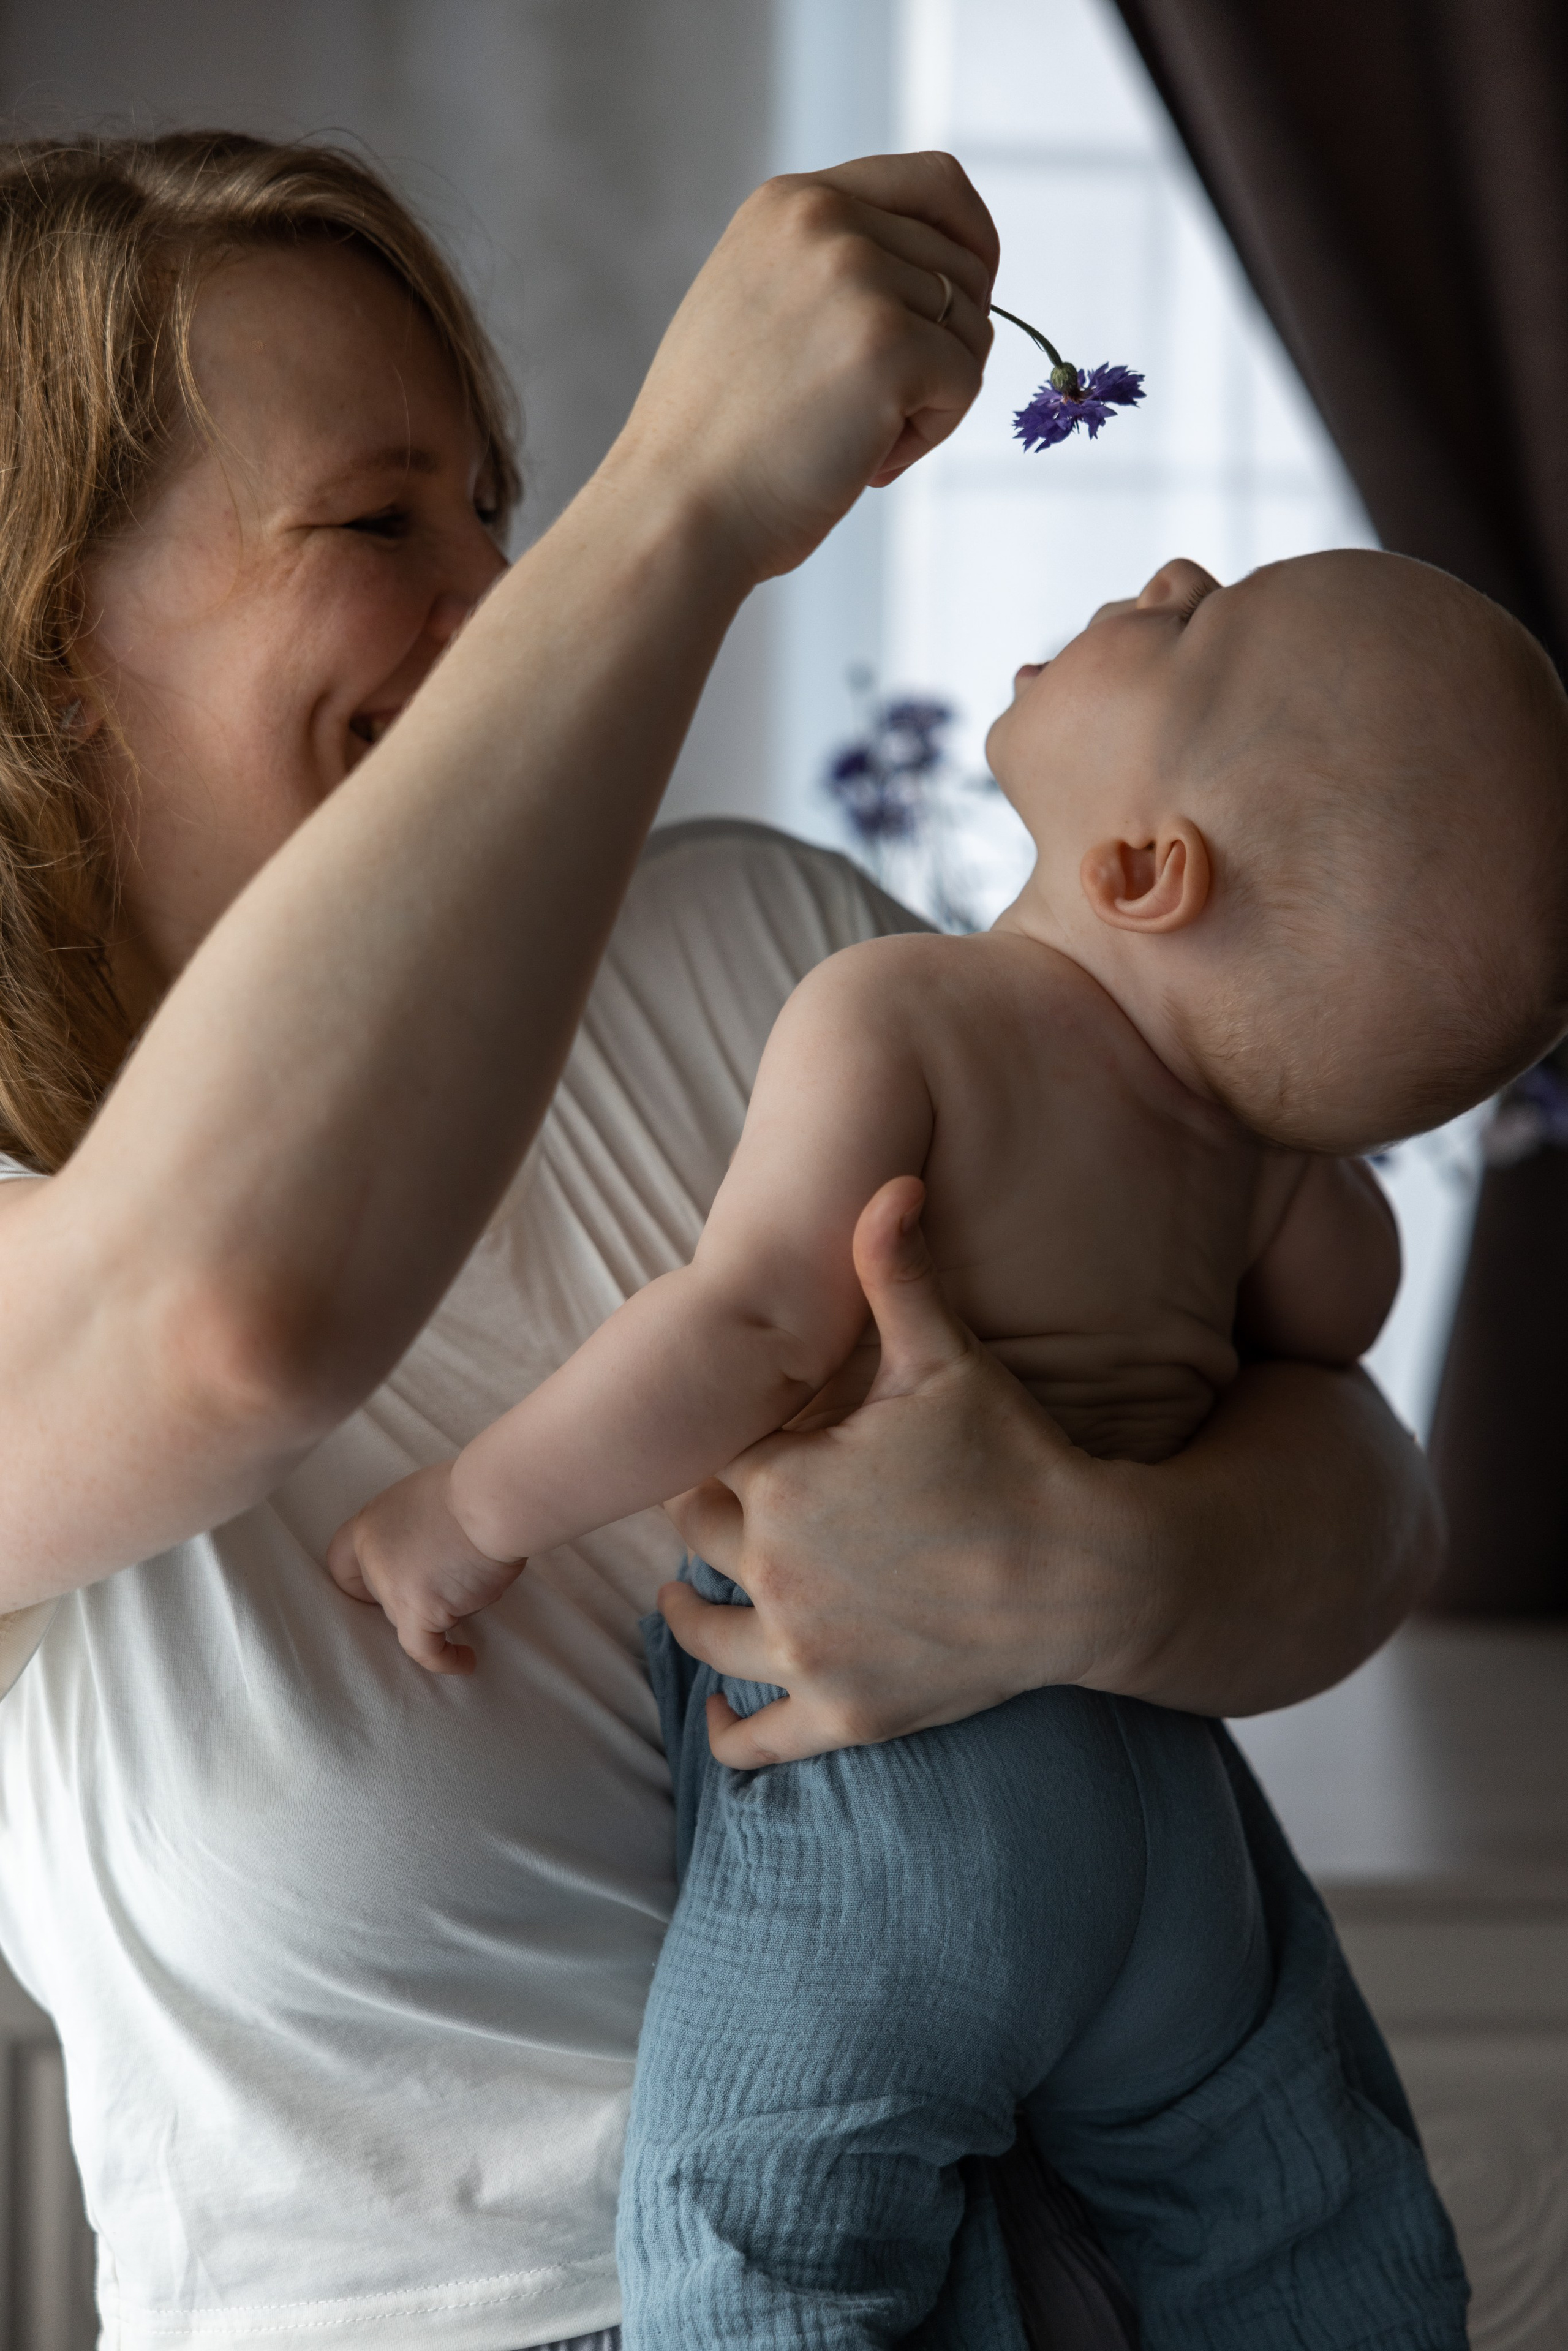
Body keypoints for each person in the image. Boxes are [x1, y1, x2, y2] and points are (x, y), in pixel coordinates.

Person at [0, 127, 1441, 2351]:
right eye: (384, 522)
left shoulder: (756, 942)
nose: (501, 590)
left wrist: (1102, 1567)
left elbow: (1350, 1480)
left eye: (506, 502)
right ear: (48, 646)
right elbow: (220, 1330)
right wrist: (679, 502)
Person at [333, 546, 1564, 2344]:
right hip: (1166, 1826)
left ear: (1144, 870)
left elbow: (752, 1329)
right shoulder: (1262, 1169)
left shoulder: (898, 1012)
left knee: (761, 2219)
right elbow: (1345, 1320)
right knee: (1289, 2214)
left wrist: (470, 1507)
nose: (1168, 569)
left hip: (927, 1804)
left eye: (1197, 624)